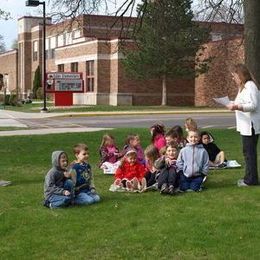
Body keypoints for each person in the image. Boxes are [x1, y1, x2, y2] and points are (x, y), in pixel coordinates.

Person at [226, 64, 260, 187]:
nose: (233, 78)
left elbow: (253, 105)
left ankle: (251, 180)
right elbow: (240, 102)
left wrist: (237, 106)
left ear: (241, 75)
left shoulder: (250, 86)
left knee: (249, 153)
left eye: (234, 76)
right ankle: (249, 177)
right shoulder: (243, 88)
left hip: (250, 126)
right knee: (247, 153)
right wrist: (231, 103)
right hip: (245, 126)